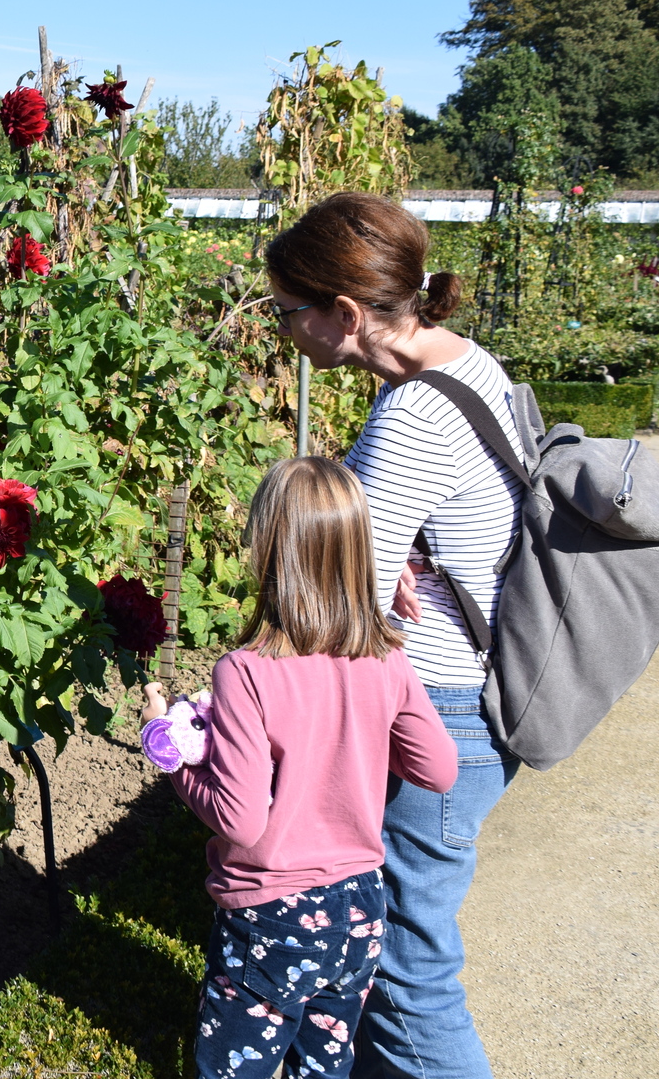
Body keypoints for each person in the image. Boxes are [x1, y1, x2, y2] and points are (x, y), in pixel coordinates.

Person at [263, 193, 529, 1079]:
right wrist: (403, 544)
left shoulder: (412, 417)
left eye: (288, 312)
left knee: (409, 976)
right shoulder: (467, 364)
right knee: (397, 953)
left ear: (344, 313)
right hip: (471, 693)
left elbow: (334, 607)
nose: (284, 332)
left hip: (436, 711)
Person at [144, 455, 457, 1079]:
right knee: (324, 1066)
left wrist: (168, 751)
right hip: (360, 907)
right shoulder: (386, 659)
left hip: (274, 914)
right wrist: (360, 731)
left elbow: (240, 820)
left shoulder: (246, 672)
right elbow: (439, 769)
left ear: (268, 551)